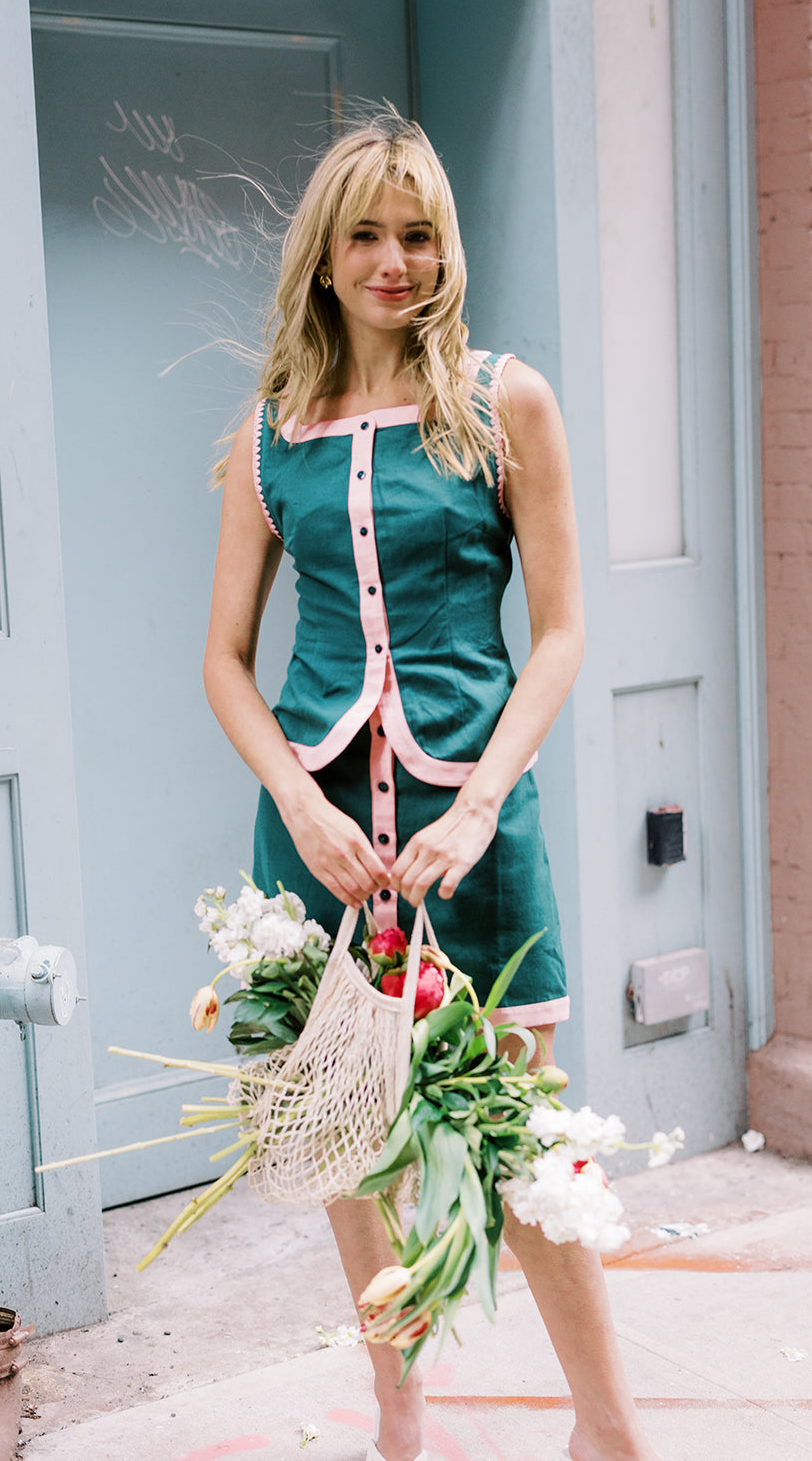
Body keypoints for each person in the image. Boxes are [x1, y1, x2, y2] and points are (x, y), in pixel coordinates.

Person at [203, 111, 660, 1461]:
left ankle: (609, 1429)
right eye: (367, 233)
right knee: (348, 1140)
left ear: (443, 248)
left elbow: (564, 630)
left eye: (417, 233)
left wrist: (476, 803)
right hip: (322, 842)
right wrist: (297, 800)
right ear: (326, 253)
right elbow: (224, 664)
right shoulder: (269, 434)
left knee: (524, 1150)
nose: (393, 260)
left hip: (476, 829)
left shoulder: (504, 400)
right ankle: (401, 1420)